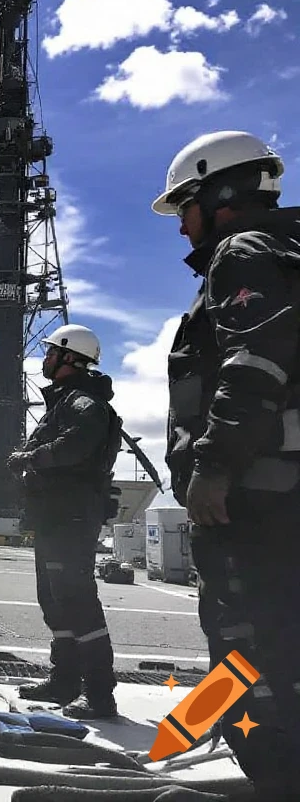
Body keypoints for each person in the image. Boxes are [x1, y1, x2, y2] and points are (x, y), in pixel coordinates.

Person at [153, 130, 300, 797]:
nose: (182, 224)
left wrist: (211, 468)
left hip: (254, 496)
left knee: (249, 643)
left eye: (186, 205)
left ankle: (266, 771)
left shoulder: (243, 253)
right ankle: (192, 732)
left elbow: (252, 366)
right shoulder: (284, 252)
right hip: (277, 492)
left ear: (221, 194)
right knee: (260, 641)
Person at [7, 323, 123, 719]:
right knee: (54, 599)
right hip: (55, 515)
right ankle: (65, 680)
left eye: (51, 352)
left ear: (70, 358)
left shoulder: (83, 404)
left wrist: (29, 458)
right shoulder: (65, 402)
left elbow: (75, 445)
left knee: (76, 600)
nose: (45, 358)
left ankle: (99, 694)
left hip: (72, 515)